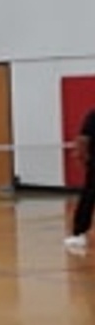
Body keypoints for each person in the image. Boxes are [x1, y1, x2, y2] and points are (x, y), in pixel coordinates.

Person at [64, 107, 95, 251]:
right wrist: (82, 158)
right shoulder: (93, 116)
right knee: (89, 196)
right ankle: (79, 233)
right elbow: (83, 139)